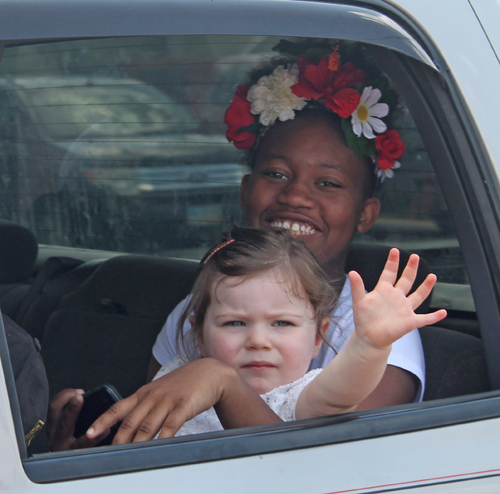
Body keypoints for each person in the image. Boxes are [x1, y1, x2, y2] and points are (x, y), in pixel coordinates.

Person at [48, 39, 427, 447]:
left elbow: (339, 452)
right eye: (277, 174)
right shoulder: (197, 311)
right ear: (246, 191)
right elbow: (152, 440)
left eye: (328, 183)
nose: (296, 197)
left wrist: (222, 380)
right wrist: (85, 456)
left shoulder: (374, 328)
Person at [88, 226, 445, 438]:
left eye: (282, 324)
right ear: (199, 334)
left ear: (319, 337)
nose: (258, 341)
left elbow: (345, 387)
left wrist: (368, 345)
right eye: (235, 323)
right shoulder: (177, 374)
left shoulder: (300, 398)